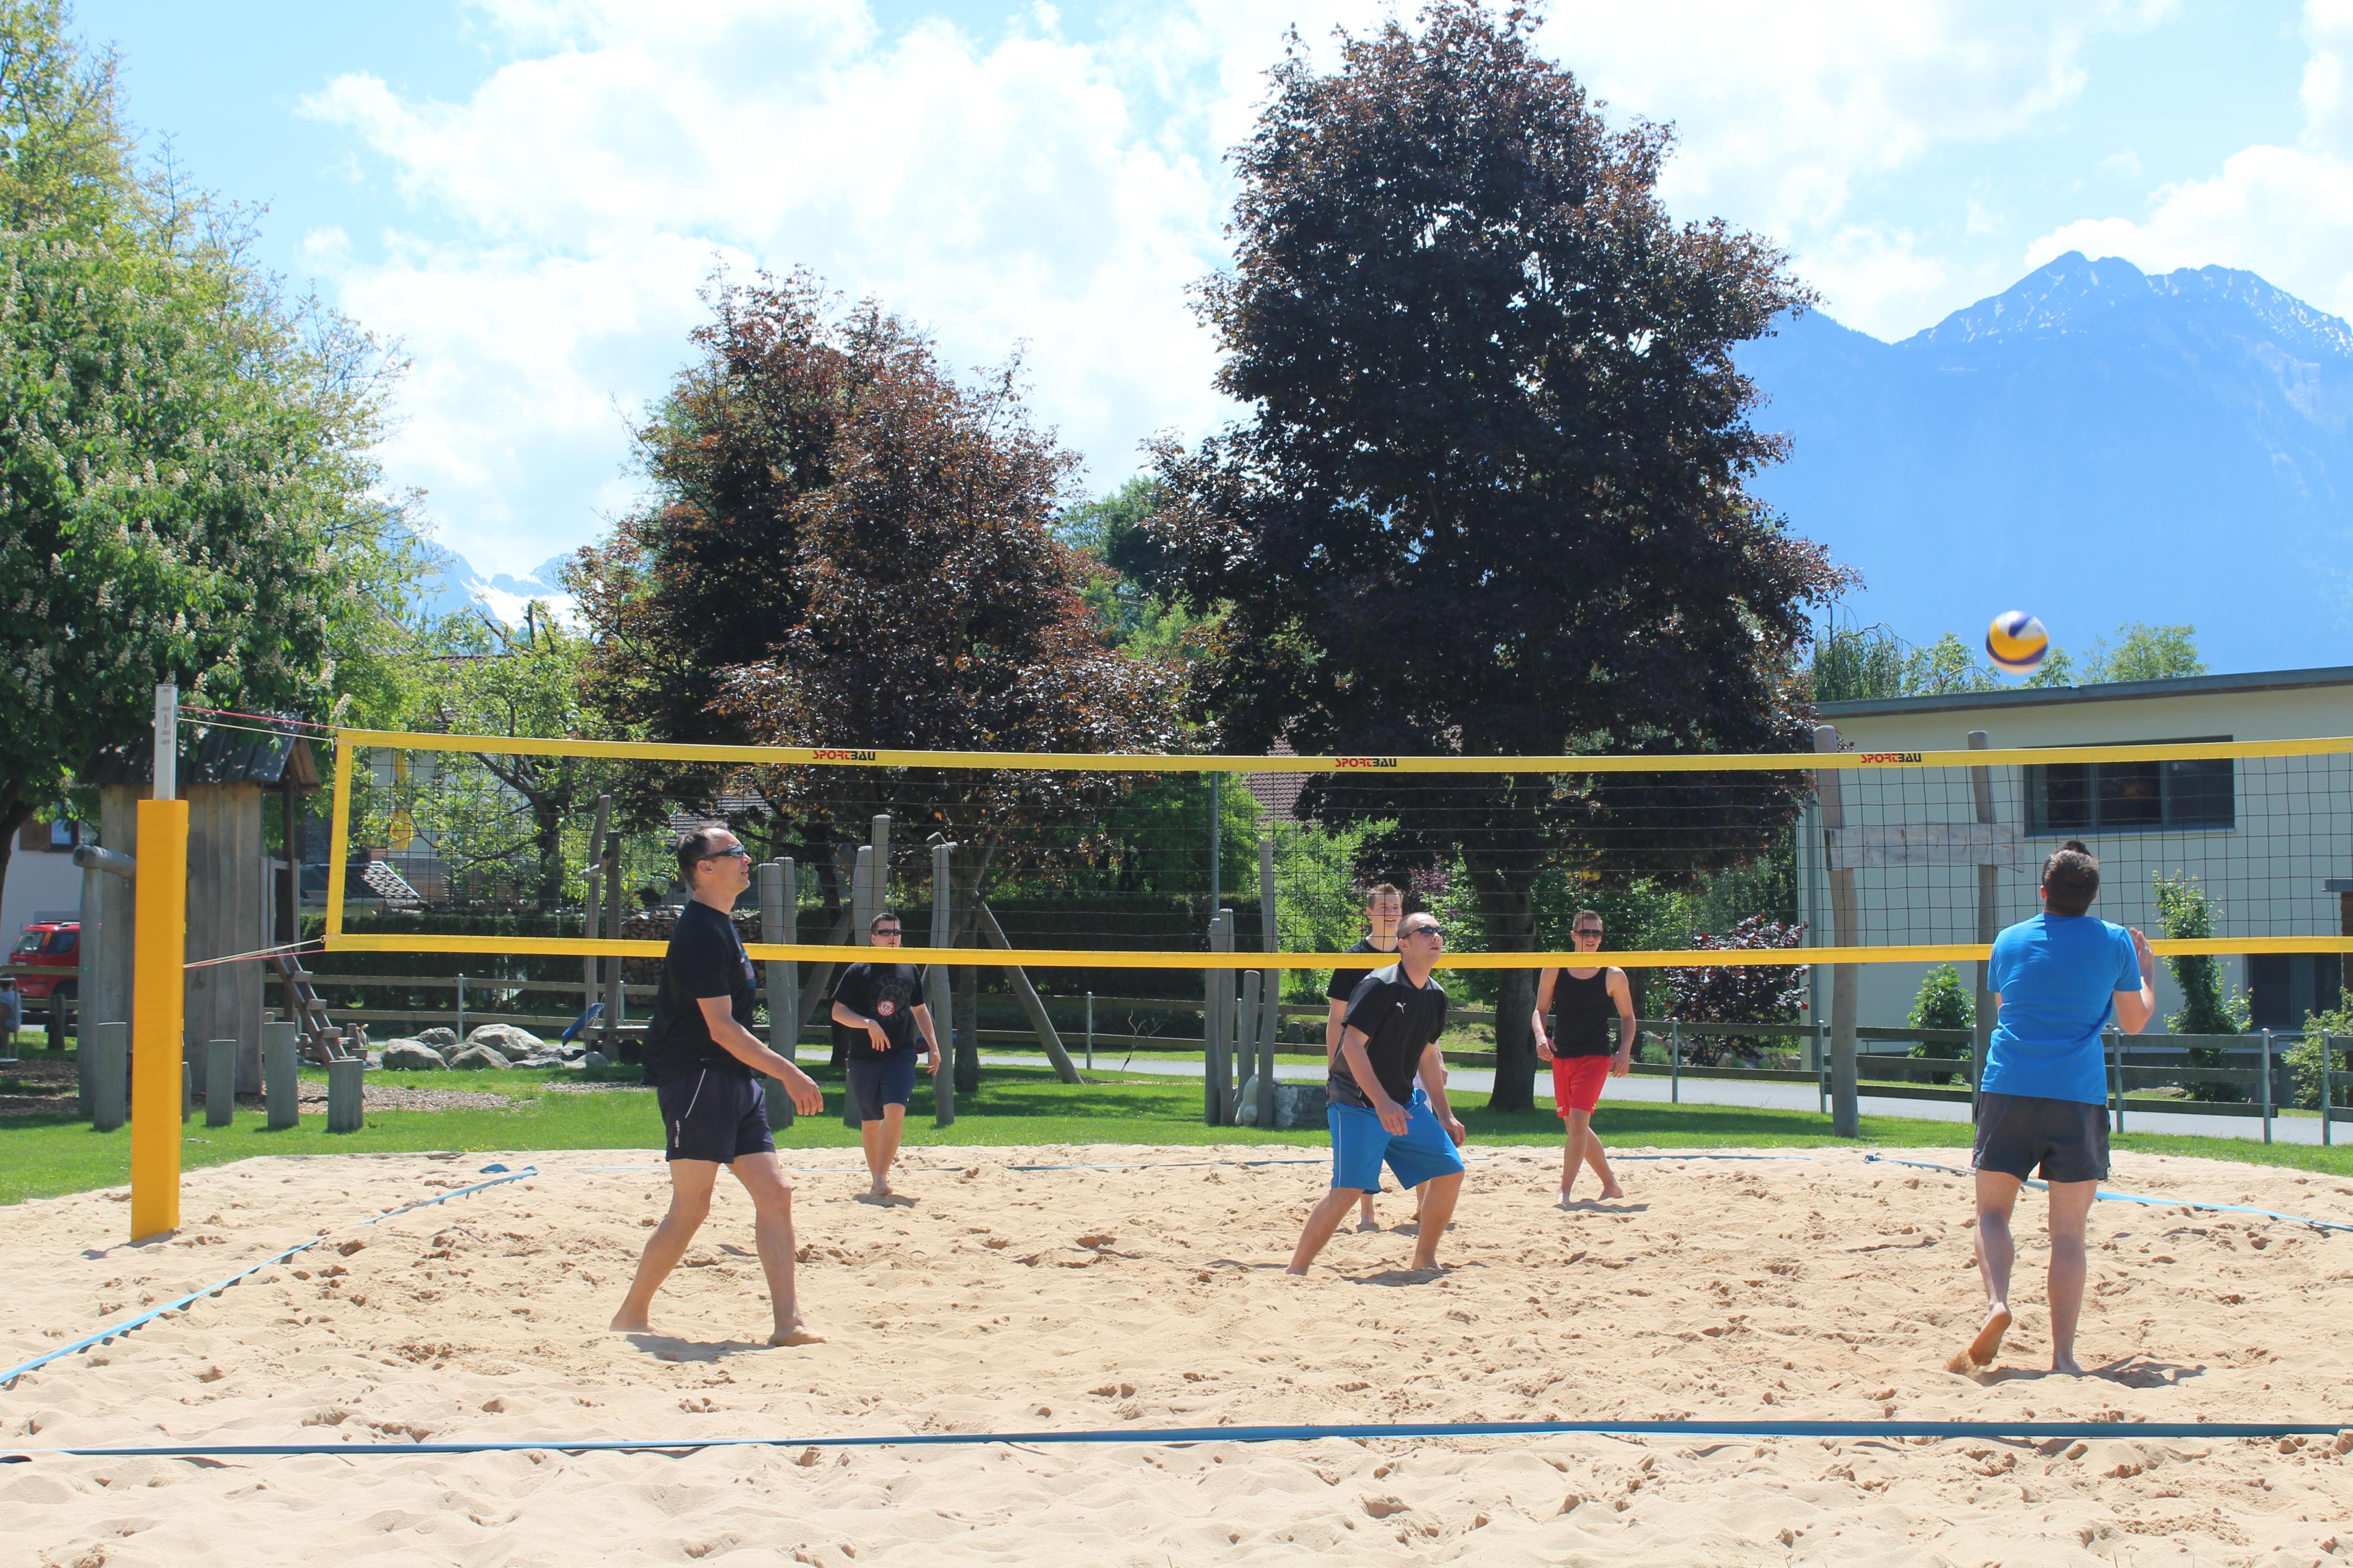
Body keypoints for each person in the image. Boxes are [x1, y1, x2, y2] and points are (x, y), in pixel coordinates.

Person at [612, 827, 828, 1345]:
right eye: (735, 852)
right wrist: (788, 1072)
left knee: (776, 1194)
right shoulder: (700, 933)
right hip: (696, 1077)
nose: (747, 858)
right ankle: (631, 1316)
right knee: (692, 1206)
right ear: (705, 868)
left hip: (731, 1076)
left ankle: (788, 1323)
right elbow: (722, 1028)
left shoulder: (721, 926)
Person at [1955, 839, 2155, 1377]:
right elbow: (2135, 1022)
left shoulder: (2008, 940)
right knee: (2068, 1234)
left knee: (1992, 1214)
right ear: (2093, 896)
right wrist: (2147, 973)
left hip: (2009, 1088)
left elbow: (2009, 1008)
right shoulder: (2115, 941)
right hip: (2076, 1096)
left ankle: (1998, 1303)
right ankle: (2063, 1358)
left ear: (2043, 892)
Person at [1287, 912, 1467, 1276]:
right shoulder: (1379, 985)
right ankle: (1297, 1270)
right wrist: (1382, 1103)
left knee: (1451, 1171)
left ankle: (1424, 1258)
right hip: (1356, 1103)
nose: (1436, 936)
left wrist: (1445, 1113)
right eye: (1425, 931)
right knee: (1348, 1191)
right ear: (1404, 945)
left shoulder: (1435, 995)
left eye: (1439, 931)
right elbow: (1352, 1046)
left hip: (1403, 1103)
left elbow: (1427, 1056)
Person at [830, 910, 941, 1200]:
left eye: (897, 932)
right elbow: (838, 1012)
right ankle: (876, 1175)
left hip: (900, 1054)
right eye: (886, 932)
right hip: (864, 1057)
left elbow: (920, 1010)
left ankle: (881, 1176)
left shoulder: (909, 968)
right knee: (871, 1121)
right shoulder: (859, 970)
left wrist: (933, 1045)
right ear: (873, 938)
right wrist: (868, 1023)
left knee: (895, 1111)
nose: (893, 938)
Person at [1532, 909, 1633, 1207]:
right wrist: (1541, 1036)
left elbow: (1628, 1017)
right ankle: (1611, 1185)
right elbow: (1540, 1010)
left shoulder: (1613, 974)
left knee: (1577, 1124)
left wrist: (1624, 1051)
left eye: (1596, 933)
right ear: (1573, 935)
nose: (1591, 938)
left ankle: (1564, 1191)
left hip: (1595, 1056)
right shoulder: (1555, 968)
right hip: (1562, 1054)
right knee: (1574, 1126)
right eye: (1586, 932)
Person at [1325, 883, 1407, 1230]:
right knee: (1363, 1138)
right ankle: (1367, 1215)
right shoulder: (1353, 958)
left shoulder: (1411, 953)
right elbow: (1336, 1019)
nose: (1391, 913)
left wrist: (1438, 1058)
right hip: (1362, 1058)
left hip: (1406, 1056)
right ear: (1370, 913)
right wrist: (1333, 1066)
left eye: (1396, 907)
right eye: (1384, 907)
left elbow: (1426, 1013)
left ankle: (1423, 1210)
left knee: (1420, 1130)